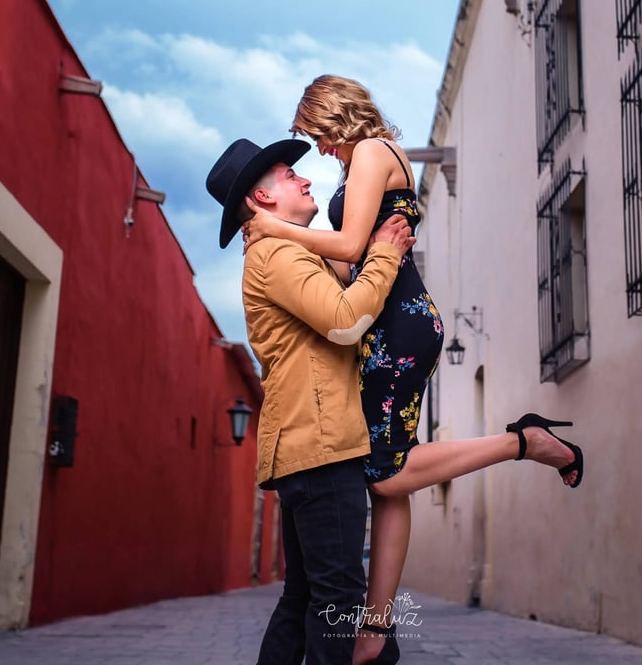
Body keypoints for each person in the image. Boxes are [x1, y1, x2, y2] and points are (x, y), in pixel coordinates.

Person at [243, 76, 585, 665]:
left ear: (335, 116)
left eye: (318, 135)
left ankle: (522, 442)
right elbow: (352, 259)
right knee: (386, 475)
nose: (320, 149)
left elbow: (352, 248)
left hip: (396, 322)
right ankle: (375, 631)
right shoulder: (366, 161)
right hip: (389, 319)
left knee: (384, 473)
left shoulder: (373, 153)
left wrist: (273, 228)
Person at [206, 137, 416, 665]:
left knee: (305, 596)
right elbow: (345, 321)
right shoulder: (276, 254)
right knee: (337, 599)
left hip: (308, 443)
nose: (304, 178)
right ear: (261, 197)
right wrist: (386, 256)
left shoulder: (288, 249)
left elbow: (342, 274)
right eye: (287, 175)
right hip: (320, 446)